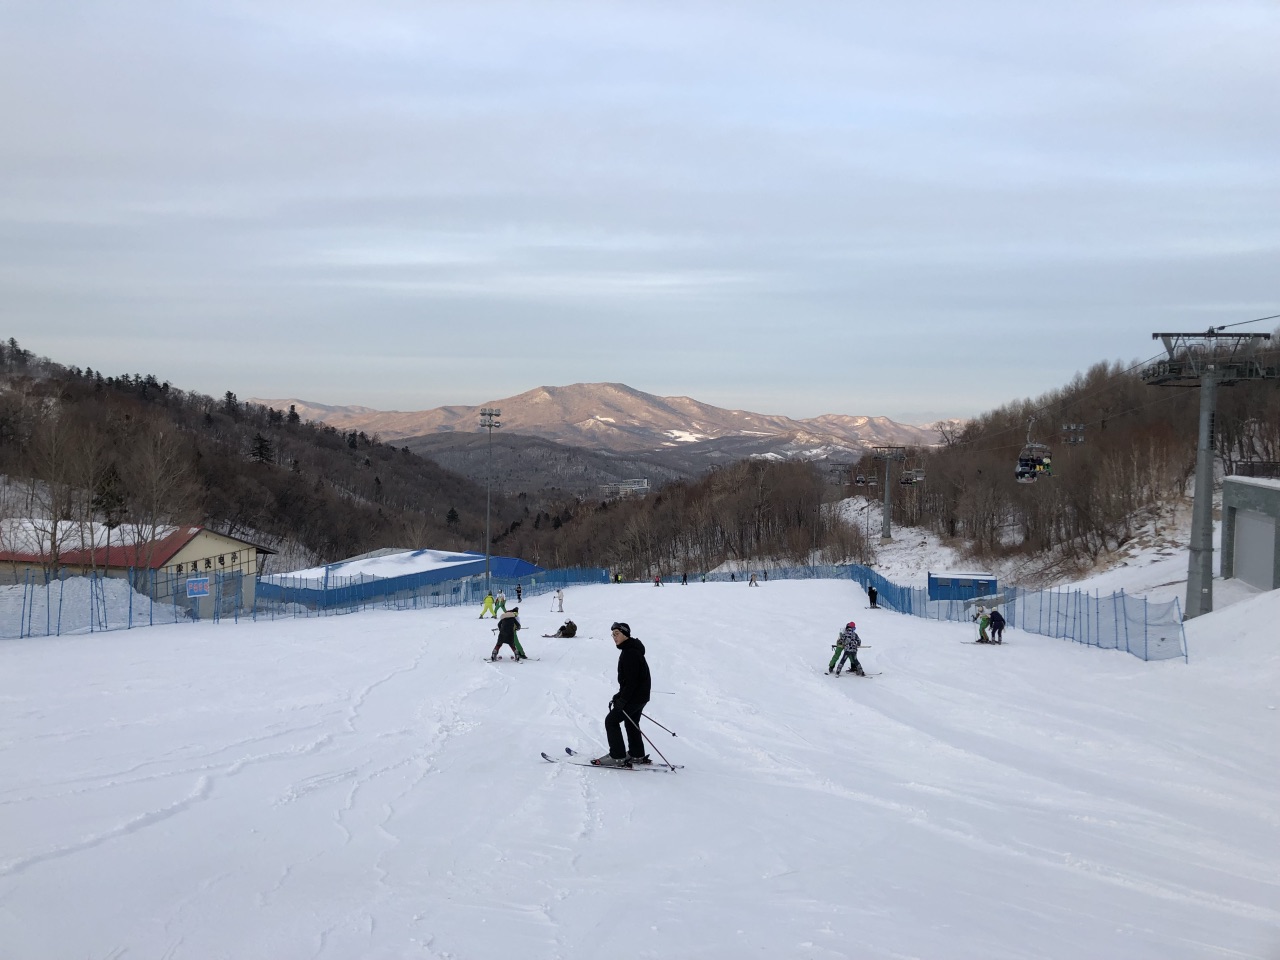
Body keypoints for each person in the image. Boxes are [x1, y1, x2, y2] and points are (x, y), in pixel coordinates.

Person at [595, 622, 652, 767]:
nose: (614, 637)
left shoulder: (630, 653)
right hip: (640, 697)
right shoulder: (632, 649)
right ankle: (636, 754)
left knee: (611, 721)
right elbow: (631, 680)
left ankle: (617, 756)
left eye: (617, 634)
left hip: (635, 697)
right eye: (613, 635)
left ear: (625, 634)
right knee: (631, 722)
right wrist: (619, 695)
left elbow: (632, 682)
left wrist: (623, 699)